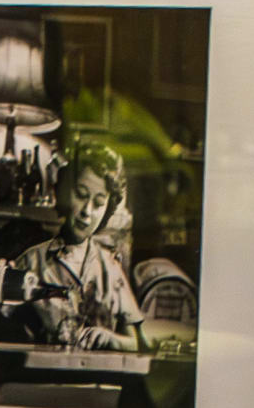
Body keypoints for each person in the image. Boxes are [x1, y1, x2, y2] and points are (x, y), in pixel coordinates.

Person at [9, 143, 149, 356]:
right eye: (81, 195)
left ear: (108, 209)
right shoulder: (31, 261)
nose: (87, 211)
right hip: (43, 381)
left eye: (99, 203)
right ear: (64, 193)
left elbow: (136, 342)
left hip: (99, 384)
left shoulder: (111, 269)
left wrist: (112, 340)